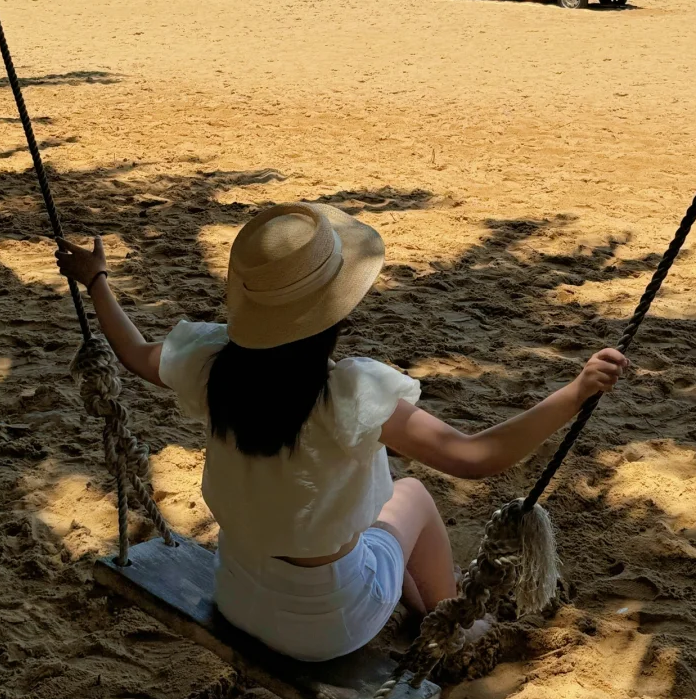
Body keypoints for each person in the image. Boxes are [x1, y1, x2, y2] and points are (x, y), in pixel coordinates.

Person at [56, 201, 627, 664]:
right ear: (333, 312)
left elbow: (133, 352)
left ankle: (417, 592)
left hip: (236, 598)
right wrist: (573, 393)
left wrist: (96, 281)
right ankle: (454, 623)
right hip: (327, 629)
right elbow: (473, 456)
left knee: (366, 505)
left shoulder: (212, 366)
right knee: (412, 496)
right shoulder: (351, 395)